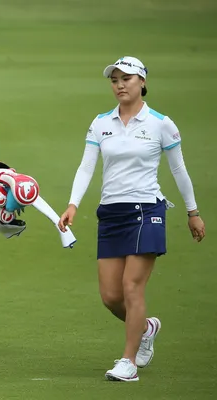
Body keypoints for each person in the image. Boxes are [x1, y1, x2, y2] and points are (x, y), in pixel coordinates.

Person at [58, 56, 206, 381]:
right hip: (111, 213)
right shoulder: (101, 122)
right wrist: (73, 204)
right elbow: (86, 166)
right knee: (110, 297)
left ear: (142, 82)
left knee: (131, 288)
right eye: (114, 80)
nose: (120, 85)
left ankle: (129, 362)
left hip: (146, 210)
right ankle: (147, 328)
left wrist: (192, 212)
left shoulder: (160, 123)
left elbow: (179, 169)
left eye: (126, 78)